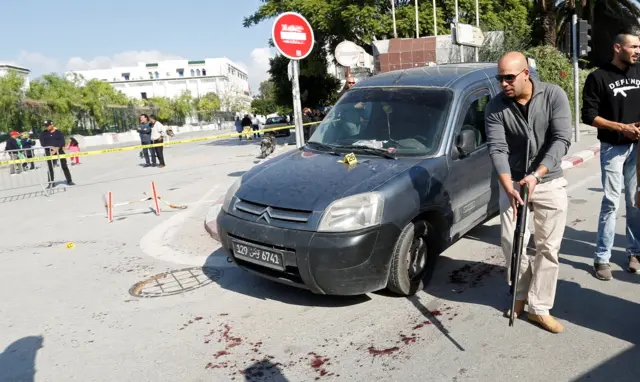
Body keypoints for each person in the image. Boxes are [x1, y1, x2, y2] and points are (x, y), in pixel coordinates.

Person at [485, 51, 571, 333]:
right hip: (513, 182)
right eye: (500, 78)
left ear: (526, 74)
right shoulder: (495, 106)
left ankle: (540, 307)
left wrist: (537, 174)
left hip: (548, 180)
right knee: (512, 242)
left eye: (509, 77)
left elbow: (561, 139)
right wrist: (508, 184)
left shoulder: (553, 95)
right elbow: (497, 147)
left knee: (548, 247)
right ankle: (520, 295)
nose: (503, 84)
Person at [582, 29, 640, 280]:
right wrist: (621, 128)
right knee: (611, 202)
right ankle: (602, 257)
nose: (638, 51)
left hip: (638, 149)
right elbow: (588, 115)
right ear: (618, 48)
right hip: (613, 149)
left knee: (636, 202)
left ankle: (634, 252)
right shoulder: (598, 77)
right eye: (634, 47)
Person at [39, 120, 75, 187]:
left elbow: (62, 142)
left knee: (64, 166)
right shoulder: (43, 134)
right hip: (49, 152)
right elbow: (43, 143)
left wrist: (57, 148)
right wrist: (51, 148)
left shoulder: (59, 133)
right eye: (45, 126)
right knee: (50, 168)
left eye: (48, 125)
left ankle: (69, 180)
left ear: (52, 125)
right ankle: (51, 183)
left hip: (60, 151)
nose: (46, 127)